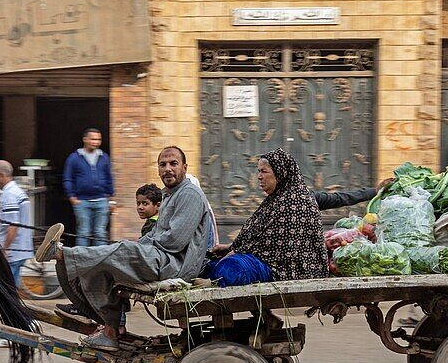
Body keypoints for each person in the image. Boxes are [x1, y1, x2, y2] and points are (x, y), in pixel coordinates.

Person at [37, 146, 213, 351]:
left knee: (123, 251)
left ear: (184, 166)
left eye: (173, 164)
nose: (168, 169)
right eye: (163, 164)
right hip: (162, 257)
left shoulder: (189, 193)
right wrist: (141, 245)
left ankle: (61, 253)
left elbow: (173, 241)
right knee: (100, 266)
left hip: (176, 264)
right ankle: (111, 330)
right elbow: (156, 235)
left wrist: (139, 247)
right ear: (157, 169)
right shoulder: (169, 194)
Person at [207, 149, 329, 287]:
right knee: (211, 264)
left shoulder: (295, 201)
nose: (259, 176)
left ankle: (215, 282)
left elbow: (278, 247)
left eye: (264, 171)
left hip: (287, 269)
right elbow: (258, 235)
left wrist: (236, 252)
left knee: (232, 267)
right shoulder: (276, 198)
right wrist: (230, 248)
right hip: (266, 260)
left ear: (279, 173)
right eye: (259, 171)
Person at [62, 128, 115, 247]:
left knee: (100, 233)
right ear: (85, 139)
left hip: (102, 200)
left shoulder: (104, 157)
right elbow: (68, 178)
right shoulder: (74, 158)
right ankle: (81, 260)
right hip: (82, 201)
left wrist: (111, 199)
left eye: (98, 139)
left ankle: (99, 259)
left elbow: (109, 177)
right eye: (93, 139)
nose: (95, 142)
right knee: (83, 232)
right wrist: (72, 197)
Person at [0, 160, 33, 287]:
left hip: (13, 251)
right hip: (21, 248)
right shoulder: (17, 191)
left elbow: (13, 225)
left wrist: (4, 249)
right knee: (12, 288)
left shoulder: (10, 195)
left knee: (6, 288)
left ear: (1, 175)